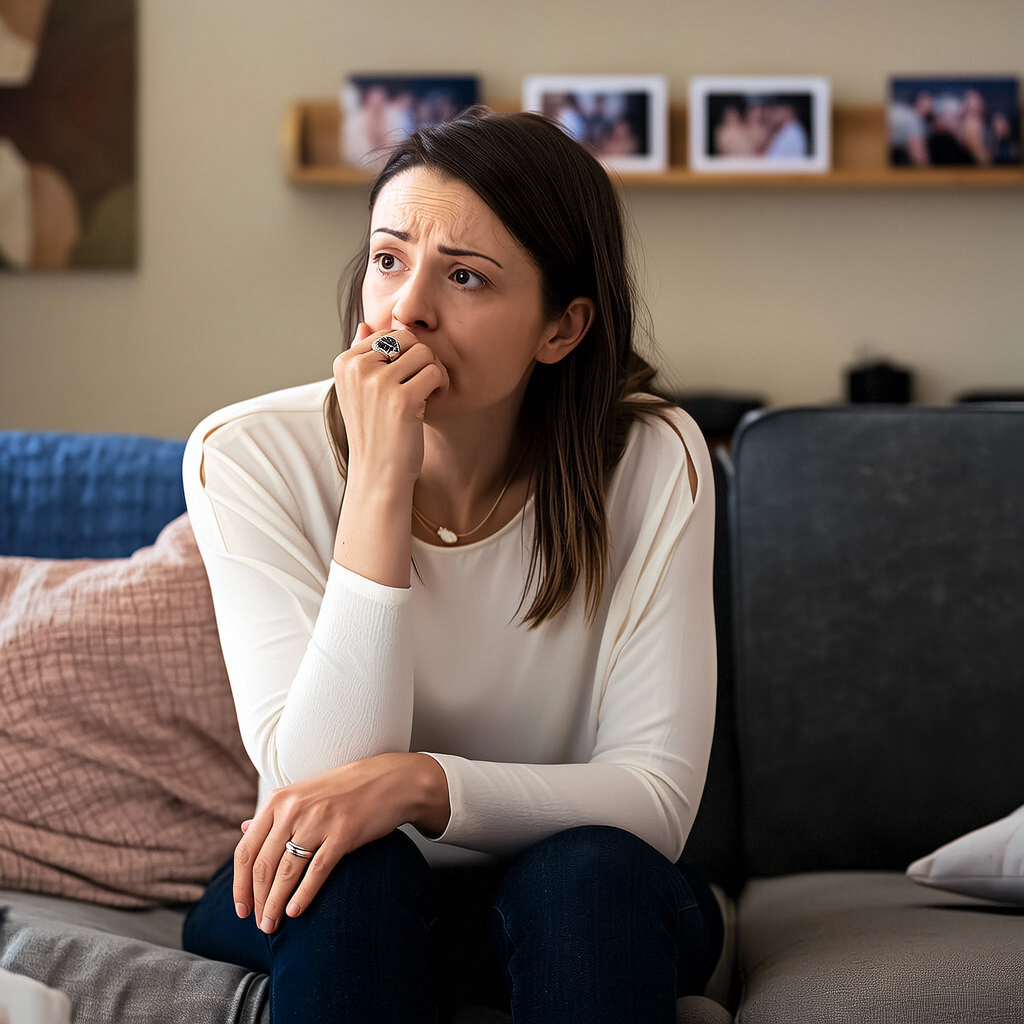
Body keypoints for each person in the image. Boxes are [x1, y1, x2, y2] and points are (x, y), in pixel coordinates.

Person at [180, 106, 722, 1024]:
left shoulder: (653, 457)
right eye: (389, 260)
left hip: (583, 896)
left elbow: (654, 799)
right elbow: (316, 780)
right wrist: (381, 480)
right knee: (354, 870)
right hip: (344, 892)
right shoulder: (244, 455)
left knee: (583, 873)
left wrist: (424, 783)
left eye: (464, 277)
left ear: (562, 328)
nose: (406, 310)